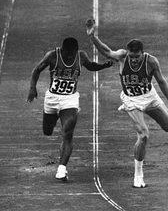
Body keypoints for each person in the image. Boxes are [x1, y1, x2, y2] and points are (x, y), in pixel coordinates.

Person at [86, 18, 168, 188]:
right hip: (131, 100)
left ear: (143, 53)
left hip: (150, 97)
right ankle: (138, 175)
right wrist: (93, 37)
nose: (135, 60)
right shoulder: (123, 56)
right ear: (128, 53)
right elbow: (107, 52)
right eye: (132, 56)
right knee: (144, 135)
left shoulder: (151, 61)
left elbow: (162, 83)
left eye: (137, 57)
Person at [28, 37, 112, 181]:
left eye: (72, 54)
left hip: (70, 99)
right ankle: (54, 117)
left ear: (76, 51)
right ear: (62, 49)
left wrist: (103, 66)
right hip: (52, 99)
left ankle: (62, 168)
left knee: (68, 132)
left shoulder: (81, 56)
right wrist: (32, 88)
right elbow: (37, 69)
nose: (70, 56)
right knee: (47, 131)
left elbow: (90, 66)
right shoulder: (52, 55)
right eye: (68, 53)